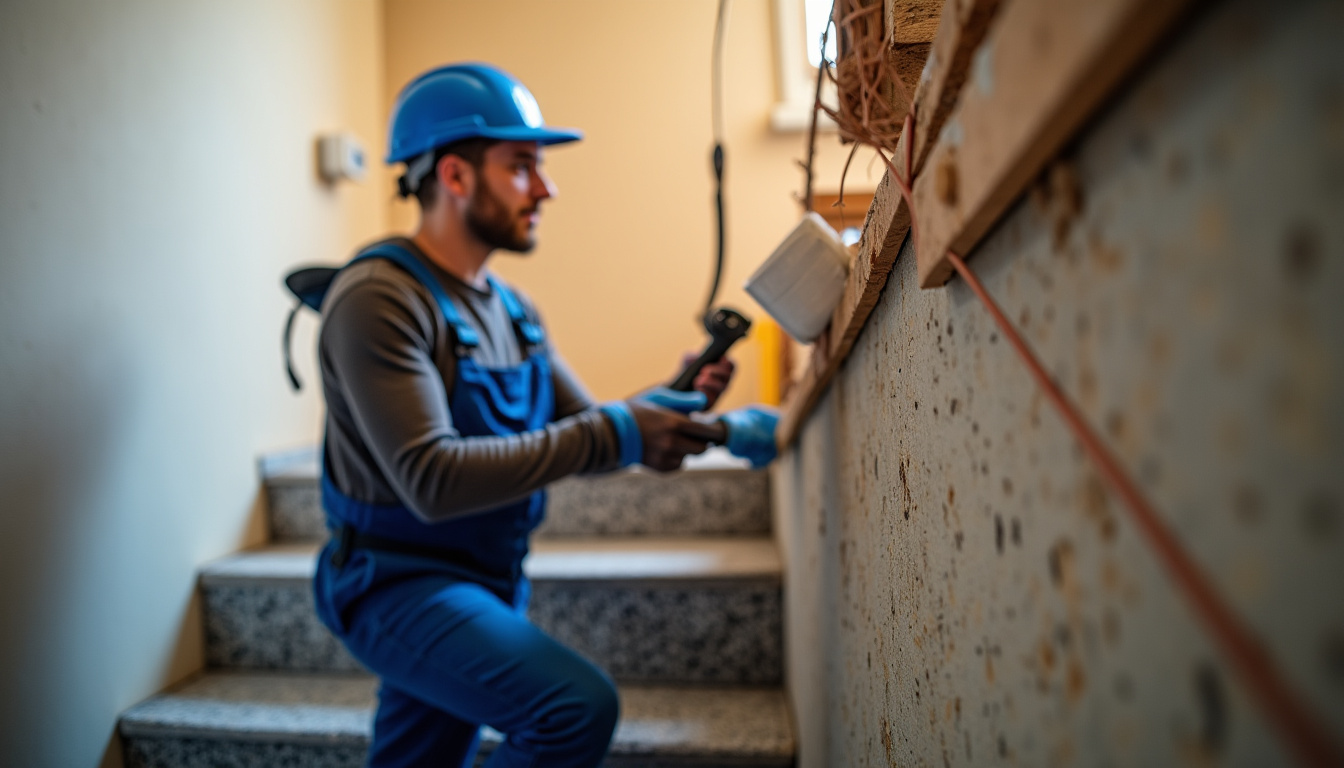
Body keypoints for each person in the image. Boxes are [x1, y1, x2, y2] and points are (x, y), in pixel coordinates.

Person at [310, 62, 779, 768]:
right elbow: (430, 479)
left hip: (492, 575)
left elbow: (585, 435)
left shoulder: (515, 312)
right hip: (393, 584)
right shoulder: (378, 300)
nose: (547, 187)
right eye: (523, 166)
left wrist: (667, 406)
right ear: (456, 176)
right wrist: (621, 429)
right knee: (572, 710)